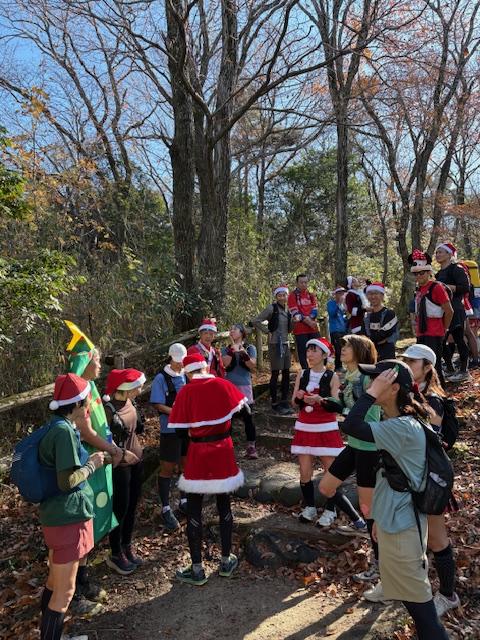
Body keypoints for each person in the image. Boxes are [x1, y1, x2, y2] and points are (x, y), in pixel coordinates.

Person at [340, 360, 449, 640]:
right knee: (416, 609)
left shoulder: (402, 427)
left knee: (425, 616)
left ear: (394, 388)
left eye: (377, 380)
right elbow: (389, 475)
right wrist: (378, 516)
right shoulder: (396, 422)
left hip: (403, 528)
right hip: (395, 521)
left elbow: (351, 425)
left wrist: (370, 394)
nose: (369, 383)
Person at [64, 321, 138, 609]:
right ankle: (73, 592)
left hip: (99, 463)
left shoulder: (91, 387)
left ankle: (83, 580)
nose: (99, 365)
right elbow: (85, 431)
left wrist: (111, 450)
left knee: (91, 523)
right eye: (95, 360)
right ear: (85, 362)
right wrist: (114, 450)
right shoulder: (77, 393)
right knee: (81, 526)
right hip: (84, 467)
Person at [38, 373, 108, 640]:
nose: (89, 403)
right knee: (65, 592)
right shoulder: (64, 432)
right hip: (67, 517)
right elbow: (67, 481)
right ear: (78, 404)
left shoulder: (56, 426)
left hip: (56, 515)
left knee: (54, 583)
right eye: (86, 399)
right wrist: (92, 465)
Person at [168, 353, 248, 586]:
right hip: (223, 449)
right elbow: (245, 412)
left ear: (187, 373)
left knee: (194, 508)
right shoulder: (223, 385)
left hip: (198, 452)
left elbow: (179, 431)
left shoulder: (186, 392)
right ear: (205, 367)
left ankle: (197, 569)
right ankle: (226, 560)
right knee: (224, 503)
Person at [401, 344, 461, 617]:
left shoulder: (432, 398)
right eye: (405, 361)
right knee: (416, 537)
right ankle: (415, 588)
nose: (407, 365)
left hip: (431, 478)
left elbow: (430, 433)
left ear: (427, 367)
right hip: (410, 475)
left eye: (412, 362)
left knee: (437, 539)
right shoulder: (409, 392)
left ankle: (448, 595)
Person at [319, 334, 381, 579]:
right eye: (342, 346)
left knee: (369, 509)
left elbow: (371, 416)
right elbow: (348, 408)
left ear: (360, 350)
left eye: (347, 346)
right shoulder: (350, 375)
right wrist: (330, 402)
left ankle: (379, 564)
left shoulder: (368, 378)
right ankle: (358, 524)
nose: (342, 349)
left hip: (368, 449)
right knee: (326, 487)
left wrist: (341, 408)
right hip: (353, 445)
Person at [291, 338, 364, 528]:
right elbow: (294, 402)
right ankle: (310, 507)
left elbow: (336, 404)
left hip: (325, 427)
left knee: (330, 472)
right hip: (305, 426)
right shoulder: (302, 374)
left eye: (314, 351)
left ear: (324, 354)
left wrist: (320, 400)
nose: (309, 354)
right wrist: (299, 398)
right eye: (308, 351)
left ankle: (331, 510)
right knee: (304, 471)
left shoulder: (332, 376)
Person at [103, 368, 146, 575]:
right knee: (120, 509)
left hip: (136, 461)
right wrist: (120, 453)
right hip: (120, 466)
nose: (140, 389)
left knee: (132, 506)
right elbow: (103, 439)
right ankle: (115, 552)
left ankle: (127, 545)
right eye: (137, 386)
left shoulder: (131, 402)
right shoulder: (108, 409)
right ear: (125, 388)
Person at [150, 343, 188, 530]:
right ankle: (165, 507)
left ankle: (184, 500)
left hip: (187, 428)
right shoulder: (161, 378)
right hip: (170, 429)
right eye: (177, 361)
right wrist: (176, 412)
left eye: (182, 361)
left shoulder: (186, 375)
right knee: (167, 467)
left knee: (185, 464)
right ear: (170, 358)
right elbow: (157, 404)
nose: (180, 364)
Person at [408, 250, 453, 387]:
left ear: (428, 272)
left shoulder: (436, 287)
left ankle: (441, 393)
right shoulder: (418, 289)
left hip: (434, 333)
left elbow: (449, 311)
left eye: (422, 273)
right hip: (421, 333)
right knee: (422, 366)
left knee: (434, 365)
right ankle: (428, 390)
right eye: (416, 273)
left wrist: (444, 329)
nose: (419, 276)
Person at [251, 284, 294, 415]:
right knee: (275, 373)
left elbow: (290, 329)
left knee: (286, 372)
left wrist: (294, 320)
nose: (282, 297)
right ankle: (274, 402)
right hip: (275, 344)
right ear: (276, 296)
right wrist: (267, 331)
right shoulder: (272, 308)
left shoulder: (288, 310)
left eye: (284, 295)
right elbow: (256, 320)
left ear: (287, 296)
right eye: (279, 295)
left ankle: (284, 401)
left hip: (285, 344)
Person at [435, 242, 471, 382]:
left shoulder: (457, 269)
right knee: (441, 340)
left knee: (459, 339)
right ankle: (449, 369)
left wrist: (446, 287)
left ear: (449, 254)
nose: (437, 255)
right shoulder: (438, 273)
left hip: (456, 308)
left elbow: (466, 287)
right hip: (442, 310)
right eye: (437, 252)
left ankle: (464, 371)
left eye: (440, 252)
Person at [221, 323, 258, 459]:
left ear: (242, 332)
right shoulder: (225, 349)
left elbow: (252, 365)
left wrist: (243, 353)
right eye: (230, 329)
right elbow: (225, 364)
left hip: (244, 386)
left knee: (248, 417)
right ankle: (227, 448)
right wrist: (232, 349)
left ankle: (251, 447)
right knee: (228, 418)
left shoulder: (250, 347)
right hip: (229, 386)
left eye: (234, 329)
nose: (232, 331)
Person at [288, 274, 321, 368]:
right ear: (297, 283)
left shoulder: (311, 295)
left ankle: (318, 369)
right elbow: (295, 313)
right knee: (302, 352)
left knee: (319, 348)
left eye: (305, 282)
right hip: (300, 329)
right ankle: (305, 371)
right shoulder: (292, 296)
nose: (304, 284)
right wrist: (308, 321)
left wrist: (310, 319)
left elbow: (315, 310)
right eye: (301, 282)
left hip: (313, 328)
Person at [364, 282, 399, 360]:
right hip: (370, 354)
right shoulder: (366, 316)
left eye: (376, 293)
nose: (373, 296)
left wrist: (370, 340)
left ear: (382, 295)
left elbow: (384, 333)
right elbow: (363, 334)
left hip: (386, 354)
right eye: (370, 294)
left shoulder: (390, 314)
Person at [326, 287, 347, 371]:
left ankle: (340, 365)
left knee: (342, 348)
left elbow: (343, 316)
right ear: (336, 294)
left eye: (343, 293)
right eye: (340, 293)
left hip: (343, 329)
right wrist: (338, 304)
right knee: (338, 349)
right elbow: (332, 314)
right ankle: (338, 366)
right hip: (335, 330)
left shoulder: (343, 304)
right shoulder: (331, 303)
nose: (342, 295)